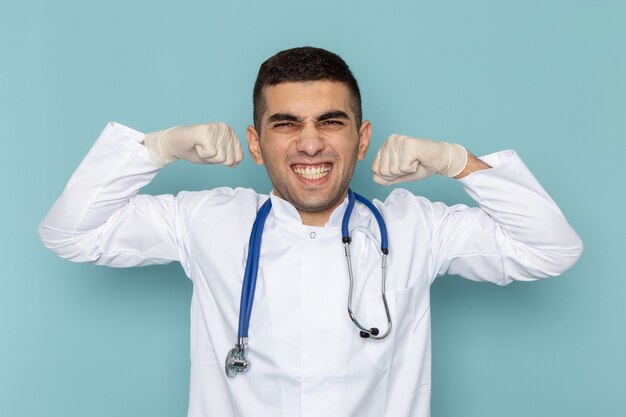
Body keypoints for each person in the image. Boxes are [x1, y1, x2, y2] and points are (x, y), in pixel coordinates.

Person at [39, 46, 583, 417]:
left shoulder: (414, 226)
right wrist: (156, 148)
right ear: (256, 143)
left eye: (331, 121)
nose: (310, 143)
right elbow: (71, 233)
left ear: (361, 137)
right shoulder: (207, 220)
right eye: (285, 124)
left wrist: (458, 162)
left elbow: (551, 249)